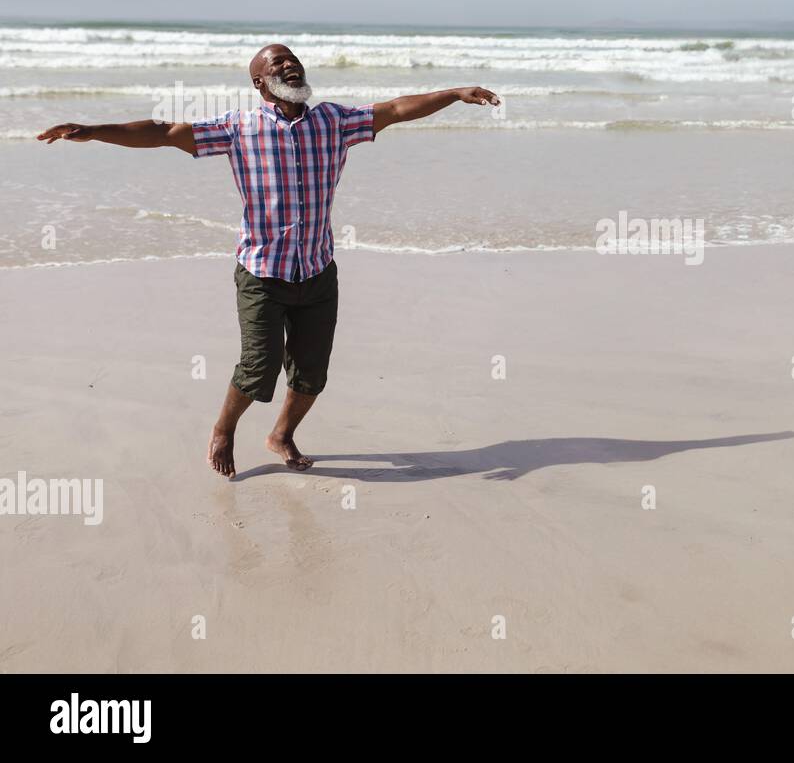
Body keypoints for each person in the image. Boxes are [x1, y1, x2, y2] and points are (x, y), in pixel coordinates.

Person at [37, 43, 499, 479]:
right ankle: (224, 430)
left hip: (318, 270)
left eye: (291, 59)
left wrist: (454, 93)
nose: (287, 65)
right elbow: (163, 132)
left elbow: (397, 109)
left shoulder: (335, 122)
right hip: (262, 272)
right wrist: (95, 130)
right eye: (275, 64)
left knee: (312, 373)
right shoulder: (237, 128)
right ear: (260, 83)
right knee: (260, 366)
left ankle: (281, 435)